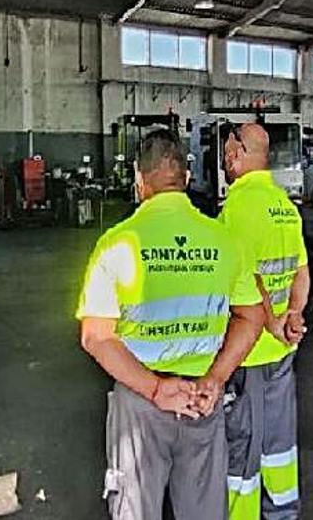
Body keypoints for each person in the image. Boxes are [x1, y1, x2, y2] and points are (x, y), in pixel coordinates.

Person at [77, 129, 266, 520]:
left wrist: (156, 389)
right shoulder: (224, 240)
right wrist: (216, 377)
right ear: (187, 178)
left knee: (136, 509)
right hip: (203, 399)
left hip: (141, 402)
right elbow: (252, 316)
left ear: (138, 179)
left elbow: (96, 336)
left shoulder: (116, 242)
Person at [220, 123, 312, 519]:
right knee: (279, 443)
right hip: (282, 352)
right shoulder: (284, 207)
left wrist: (273, 322)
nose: (225, 159)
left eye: (227, 150)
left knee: (244, 446)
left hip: (251, 352)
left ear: (238, 154)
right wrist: (294, 316)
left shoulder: (237, 207)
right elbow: (301, 272)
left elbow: (246, 279)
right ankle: (282, 512)